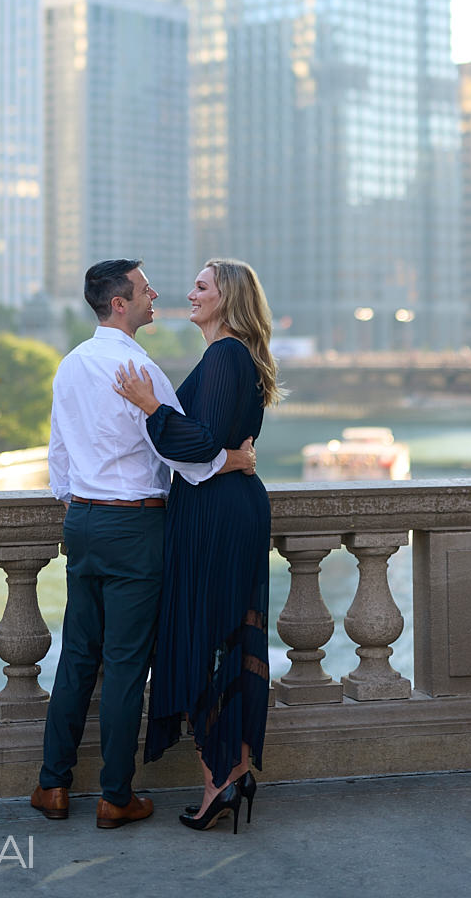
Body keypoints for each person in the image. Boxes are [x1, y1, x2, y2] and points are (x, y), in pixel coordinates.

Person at [31, 259, 256, 830]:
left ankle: (52, 786)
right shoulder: (141, 369)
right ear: (121, 304)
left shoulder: (71, 364)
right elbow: (186, 452)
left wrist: (80, 501)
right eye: (145, 288)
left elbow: (58, 453)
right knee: (127, 664)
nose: (157, 294)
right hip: (134, 526)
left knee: (78, 657)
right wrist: (234, 458)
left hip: (81, 521)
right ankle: (114, 796)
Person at [113, 258, 280, 832]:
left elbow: (198, 441)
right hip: (223, 505)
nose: (190, 293)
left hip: (218, 515)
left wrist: (151, 407)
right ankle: (230, 770)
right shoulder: (230, 356)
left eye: (202, 286)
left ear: (227, 298)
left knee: (217, 636)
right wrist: (228, 456)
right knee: (225, 634)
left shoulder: (226, 355)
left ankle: (221, 780)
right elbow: (215, 445)